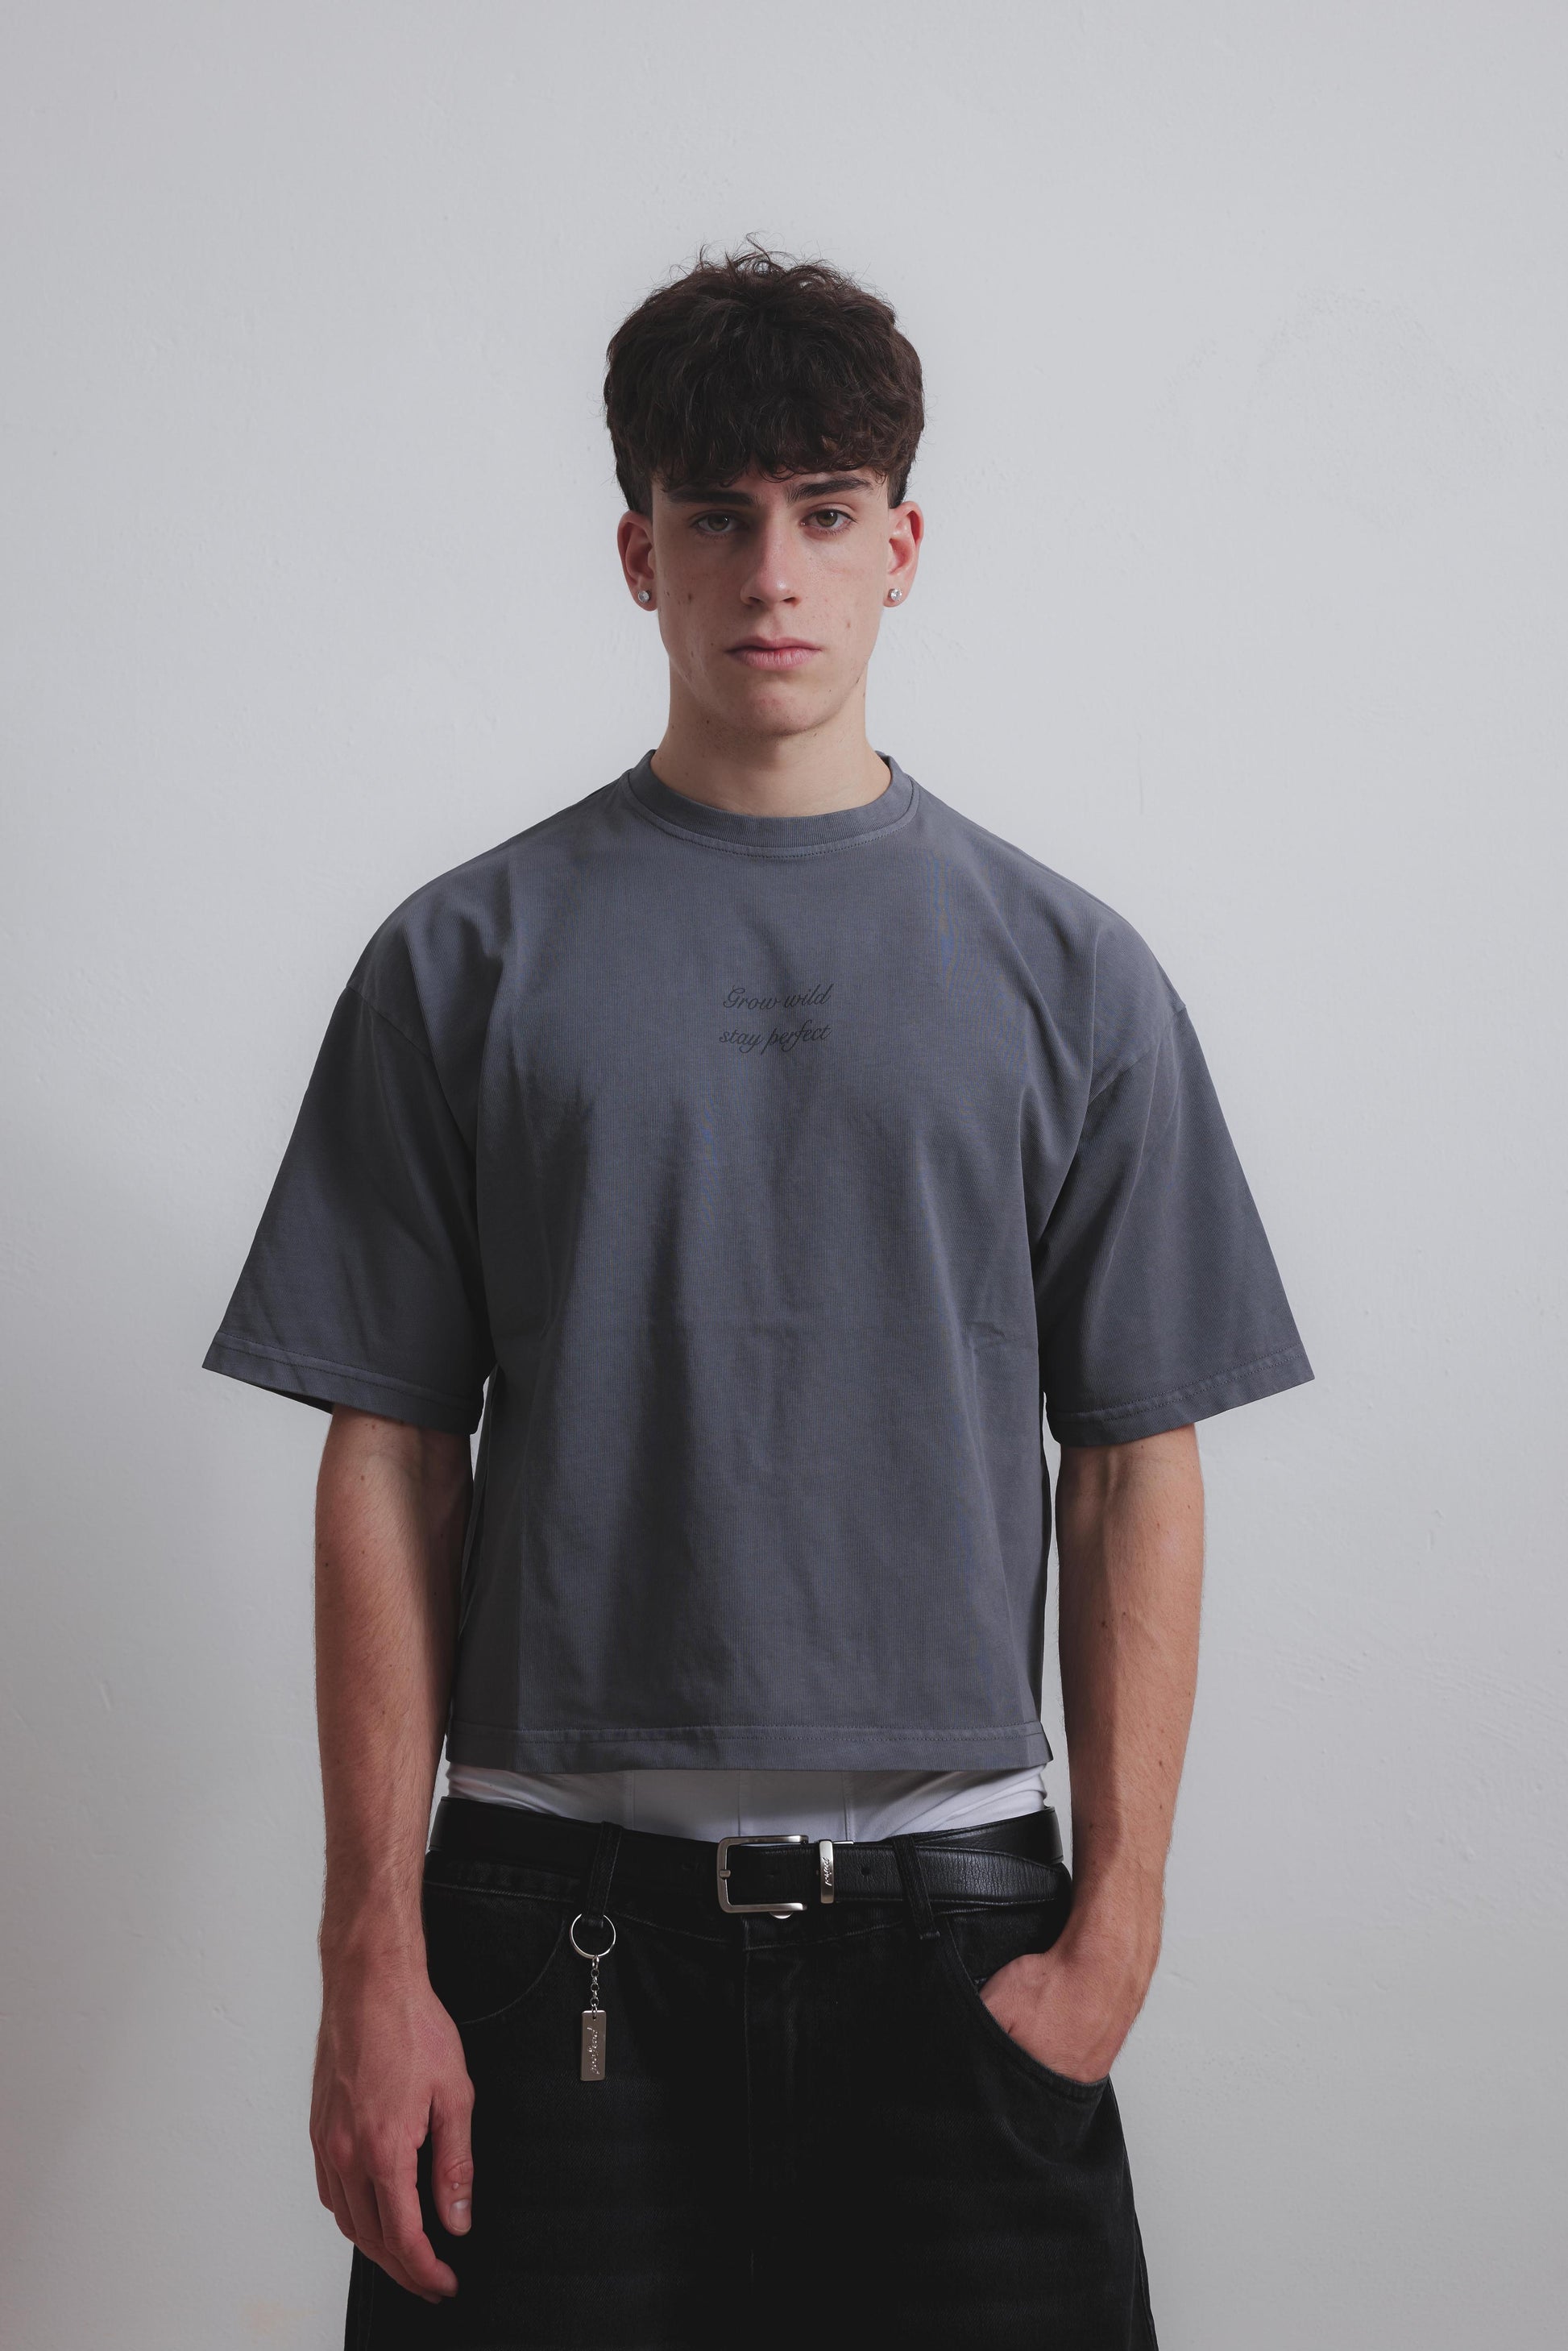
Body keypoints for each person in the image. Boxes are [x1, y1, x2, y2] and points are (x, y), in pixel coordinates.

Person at [205, 245, 1313, 2349]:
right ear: (640, 552)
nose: (771, 573)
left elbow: (1131, 1464)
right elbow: (389, 1455)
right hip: (548, 1921)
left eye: (823, 511)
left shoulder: (1070, 975)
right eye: (716, 516)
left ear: (903, 546)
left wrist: (1118, 1930)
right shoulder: (463, 960)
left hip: (958, 1923)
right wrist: (374, 1950)